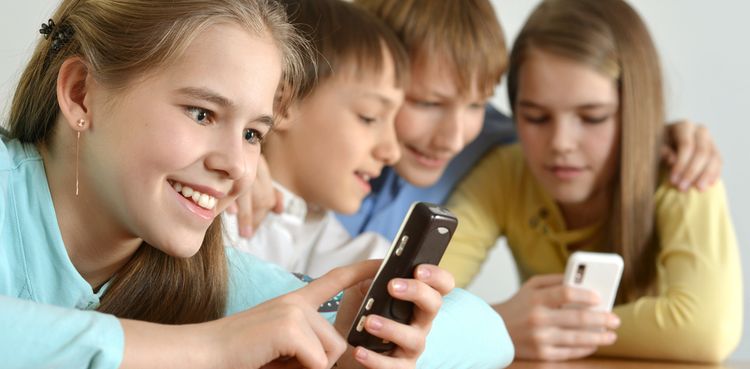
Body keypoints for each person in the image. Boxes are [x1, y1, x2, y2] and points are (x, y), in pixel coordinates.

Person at [0, 1, 464, 368]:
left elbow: (482, 333)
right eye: (202, 114)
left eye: (251, 135)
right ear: (81, 92)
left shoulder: (216, 277)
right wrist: (205, 351)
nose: (238, 167)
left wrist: (350, 353)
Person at [441, 0, 742, 362]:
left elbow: (706, 331)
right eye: (536, 117)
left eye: (593, 117)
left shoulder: (682, 168)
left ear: (635, 112)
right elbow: (419, 300)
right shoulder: (506, 172)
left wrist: (521, 328)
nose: (561, 144)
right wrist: (502, 323)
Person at [224, 0, 514, 367]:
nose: (391, 150)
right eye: (370, 117)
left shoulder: (322, 231)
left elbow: (491, 334)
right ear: (283, 102)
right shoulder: (215, 221)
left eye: (478, 105)